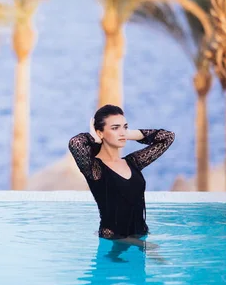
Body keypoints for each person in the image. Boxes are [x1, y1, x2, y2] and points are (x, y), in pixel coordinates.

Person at [68, 104, 175, 249]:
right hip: (112, 242)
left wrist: (128, 134)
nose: (122, 132)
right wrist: (95, 139)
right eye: (115, 128)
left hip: (140, 236)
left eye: (125, 126)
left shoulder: (133, 162)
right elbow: (76, 143)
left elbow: (167, 137)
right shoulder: (95, 169)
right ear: (100, 133)